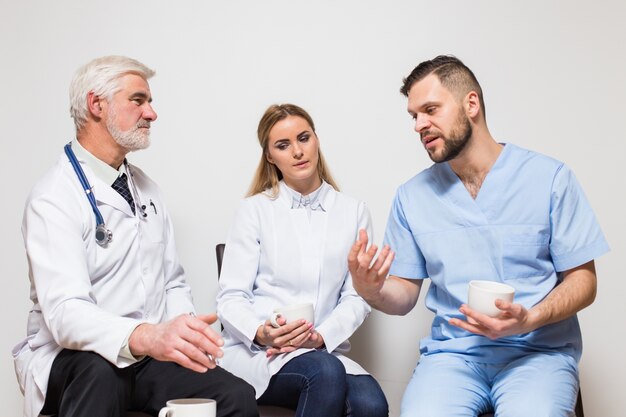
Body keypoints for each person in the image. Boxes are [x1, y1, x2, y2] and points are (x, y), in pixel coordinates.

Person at [348, 55, 609, 417]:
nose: (419, 124)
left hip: (537, 355)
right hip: (452, 358)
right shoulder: (412, 196)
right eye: (414, 115)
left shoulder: (549, 179)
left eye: (430, 109)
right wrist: (370, 289)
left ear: (471, 104)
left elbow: (584, 280)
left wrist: (530, 318)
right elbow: (404, 295)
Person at [12, 56, 257, 417]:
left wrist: (181, 335)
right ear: (97, 105)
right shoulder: (53, 197)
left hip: (146, 357)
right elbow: (66, 314)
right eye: (138, 100)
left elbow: (172, 282)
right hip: (74, 358)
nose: (152, 113)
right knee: (100, 374)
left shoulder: (147, 190)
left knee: (234, 395)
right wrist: (147, 335)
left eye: (150, 102)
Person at [216, 104, 388, 417]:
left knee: (371, 405)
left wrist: (322, 336)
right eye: (283, 145)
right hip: (262, 353)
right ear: (270, 156)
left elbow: (357, 296)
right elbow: (230, 298)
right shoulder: (253, 211)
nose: (297, 151)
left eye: (303, 138)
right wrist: (262, 332)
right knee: (323, 373)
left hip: (323, 350)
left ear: (317, 140)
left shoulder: (353, 211)